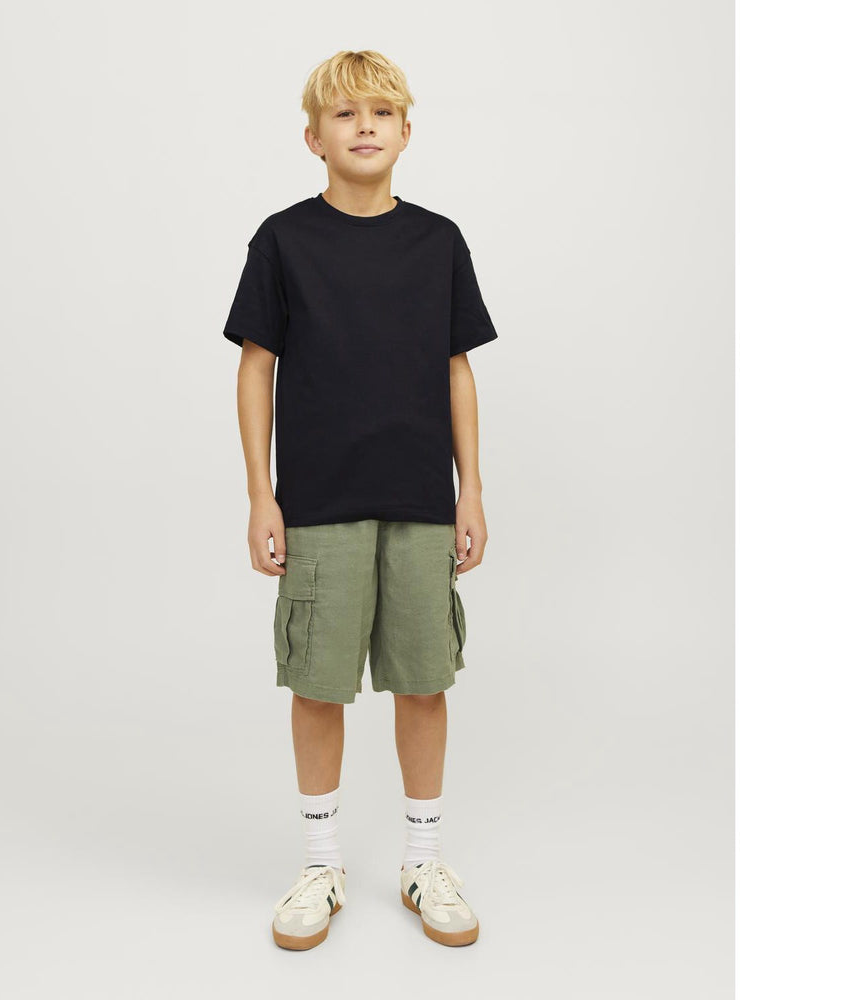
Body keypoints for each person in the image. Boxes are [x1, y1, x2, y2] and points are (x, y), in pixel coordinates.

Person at [222, 49, 498, 950]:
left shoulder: (439, 241)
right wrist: (261, 494)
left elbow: (456, 370)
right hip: (318, 504)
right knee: (318, 684)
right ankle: (321, 863)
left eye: (381, 112)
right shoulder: (283, 240)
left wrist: (471, 490)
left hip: (421, 501)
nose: (365, 126)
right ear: (314, 137)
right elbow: (255, 368)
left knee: (423, 680)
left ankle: (423, 860)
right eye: (344, 114)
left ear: (407, 132)